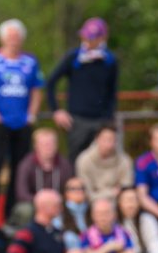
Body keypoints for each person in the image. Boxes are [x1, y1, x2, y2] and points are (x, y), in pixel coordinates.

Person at [0, 19, 44, 215]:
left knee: (20, 168)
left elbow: (37, 90)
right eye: (10, 36)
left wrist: (31, 114)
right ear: (2, 38)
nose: (13, 40)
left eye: (17, 36)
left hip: (22, 123)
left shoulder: (30, 61)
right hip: (0, 122)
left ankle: (11, 213)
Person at [46, 17, 118, 161]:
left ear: (102, 38)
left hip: (101, 120)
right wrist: (56, 110)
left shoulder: (110, 60)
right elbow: (51, 82)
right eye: (85, 36)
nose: (87, 41)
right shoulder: (73, 57)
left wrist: (108, 119)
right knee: (75, 159)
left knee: (101, 159)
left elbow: (112, 92)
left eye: (92, 38)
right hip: (76, 120)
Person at [13, 127, 72, 223]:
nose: (48, 147)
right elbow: (21, 193)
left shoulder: (64, 164)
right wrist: (42, 201)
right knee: (24, 209)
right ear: (36, 146)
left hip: (58, 203)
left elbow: (69, 190)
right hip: (34, 204)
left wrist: (56, 201)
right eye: (44, 144)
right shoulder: (26, 164)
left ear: (56, 145)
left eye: (51, 144)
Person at [75, 124, 133, 201]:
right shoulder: (84, 160)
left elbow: (126, 190)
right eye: (105, 139)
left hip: (118, 204)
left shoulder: (125, 161)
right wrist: (112, 192)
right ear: (97, 139)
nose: (109, 144)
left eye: (113, 140)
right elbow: (86, 194)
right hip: (91, 205)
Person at [117, 187, 158, 253]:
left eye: (133, 200)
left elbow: (155, 242)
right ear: (119, 203)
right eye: (126, 200)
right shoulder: (114, 223)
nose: (130, 205)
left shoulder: (147, 220)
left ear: (139, 203)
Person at [62, 177, 90, 249]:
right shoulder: (60, 212)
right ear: (66, 193)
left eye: (82, 188)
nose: (79, 191)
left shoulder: (92, 211)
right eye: (73, 188)